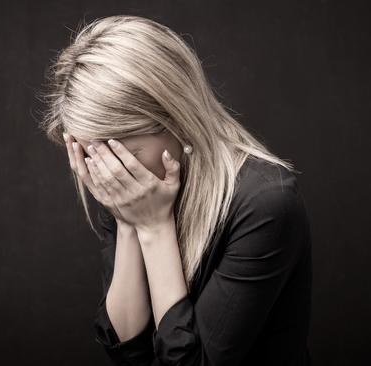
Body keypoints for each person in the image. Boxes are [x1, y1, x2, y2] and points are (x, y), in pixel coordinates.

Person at [38, 15, 312, 365]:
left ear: (176, 120)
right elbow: (128, 350)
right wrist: (127, 222)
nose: (109, 171)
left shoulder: (266, 203)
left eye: (125, 153)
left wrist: (154, 227)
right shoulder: (133, 190)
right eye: (94, 154)